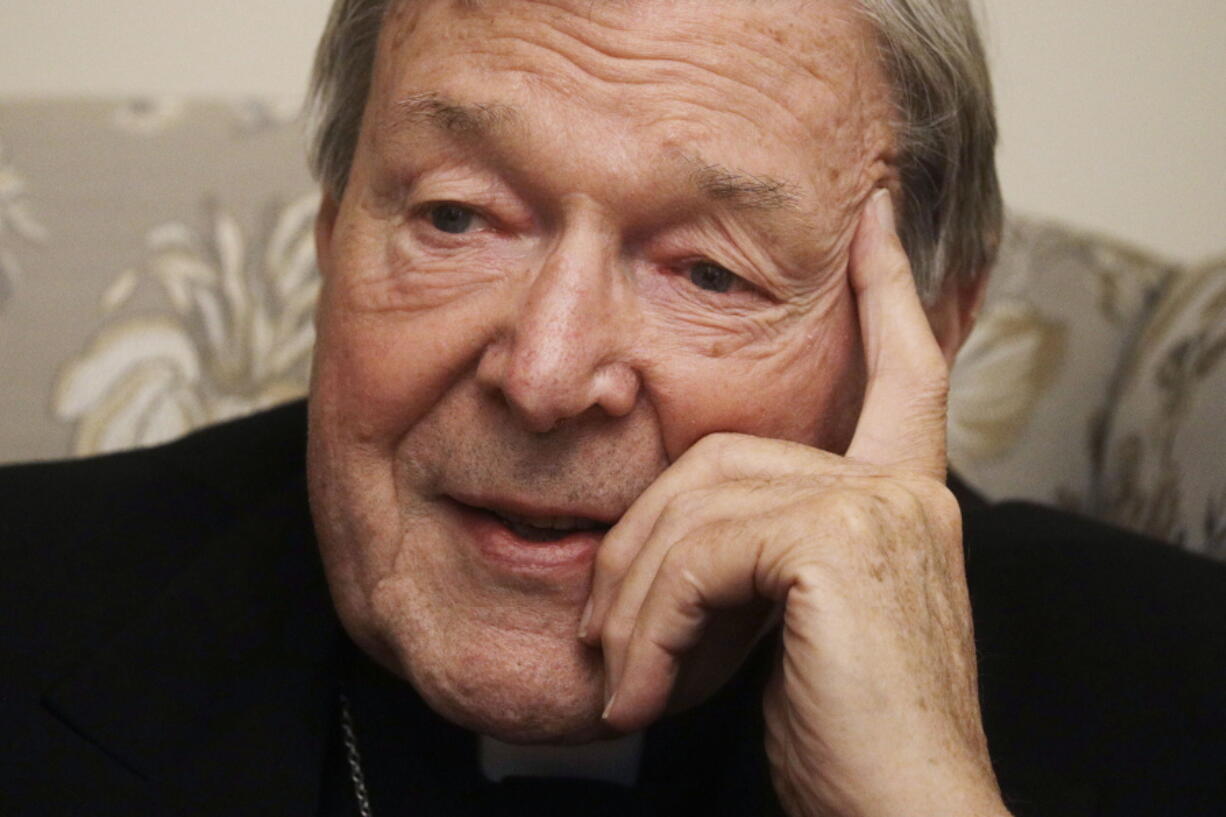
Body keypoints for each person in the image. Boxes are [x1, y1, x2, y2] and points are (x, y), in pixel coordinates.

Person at [1, 1, 1223, 815]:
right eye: (456, 217)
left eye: (707, 269)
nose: (544, 374)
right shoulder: (24, 589)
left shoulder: (1182, 692)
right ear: (329, 233)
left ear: (937, 324)